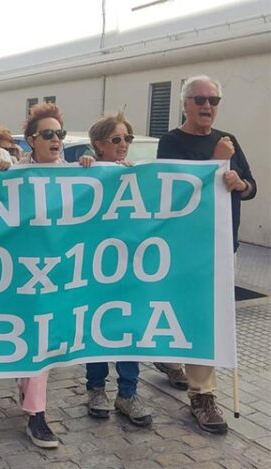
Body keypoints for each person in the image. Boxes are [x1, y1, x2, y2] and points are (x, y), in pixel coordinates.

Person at [155, 75, 256, 434]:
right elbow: (176, 194)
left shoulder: (229, 141)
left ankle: (202, 394)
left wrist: (239, 184)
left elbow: (250, 186)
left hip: (220, 247)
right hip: (184, 248)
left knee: (205, 319)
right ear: (185, 104)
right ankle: (170, 361)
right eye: (199, 99)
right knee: (183, 314)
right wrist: (216, 164)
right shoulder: (171, 142)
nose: (207, 106)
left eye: (213, 100)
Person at [16, 102, 95, 449]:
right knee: (35, 341)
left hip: (62, 274)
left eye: (59, 134)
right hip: (21, 274)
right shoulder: (13, 173)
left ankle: (32, 402)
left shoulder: (76, 174)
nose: (56, 140)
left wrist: (99, 170)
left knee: (42, 342)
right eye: (47, 134)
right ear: (31, 141)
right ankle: (35, 412)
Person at [84, 111, 152, 427]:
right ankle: (95, 389)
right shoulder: (86, 174)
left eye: (127, 138)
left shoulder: (135, 175)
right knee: (96, 329)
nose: (124, 144)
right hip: (94, 268)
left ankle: (128, 393)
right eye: (116, 139)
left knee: (128, 329)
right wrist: (85, 170)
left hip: (129, 269)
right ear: (98, 145)